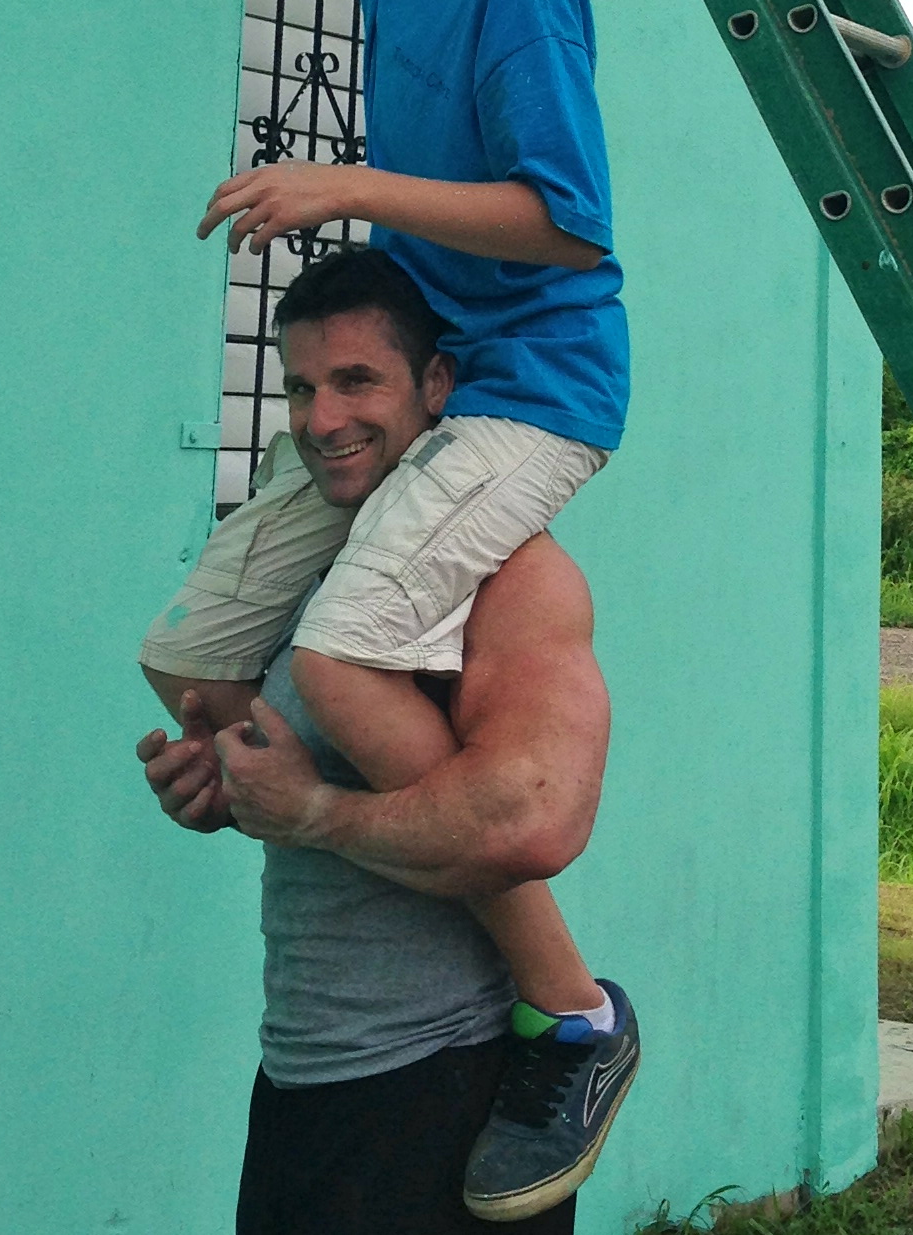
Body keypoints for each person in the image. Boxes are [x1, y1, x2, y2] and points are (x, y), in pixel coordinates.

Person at [97, 0, 630, 1207]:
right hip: (443, 351)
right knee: (191, 653)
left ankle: (571, 1010)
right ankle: (260, 784)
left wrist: (347, 184)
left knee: (337, 652)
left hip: (532, 380)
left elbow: (565, 220)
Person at [136, 248, 636, 1229]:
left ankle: (581, 1014)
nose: (322, 418)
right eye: (301, 386)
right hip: (305, 1072)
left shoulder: (514, 578)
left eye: (357, 380)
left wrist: (315, 813)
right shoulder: (331, 572)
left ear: (435, 384)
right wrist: (235, 791)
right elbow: (309, 781)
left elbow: (531, 818)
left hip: (446, 1083)